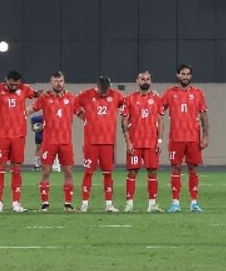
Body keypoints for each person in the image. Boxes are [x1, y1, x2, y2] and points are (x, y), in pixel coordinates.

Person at [0, 70, 36, 213]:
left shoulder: (24, 89)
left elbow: (36, 95)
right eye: (12, 83)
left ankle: (16, 203)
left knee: (17, 169)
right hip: (2, 136)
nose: (14, 86)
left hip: (19, 136)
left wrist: (41, 94)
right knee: (0, 168)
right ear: (6, 80)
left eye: (17, 83)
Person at [162, 63, 209, 213]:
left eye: (188, 74)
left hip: (193, 138)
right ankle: (175, 202)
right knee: (175, 169)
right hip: (176, 138)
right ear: (177, 75)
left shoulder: (198, 93)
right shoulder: (169, 93)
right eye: (183, 74)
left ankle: (194, 202)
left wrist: (206, 136)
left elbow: (203, 116)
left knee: (193, 169)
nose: (186, 77)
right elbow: (159, 111)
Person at [76, 76, 124, 213]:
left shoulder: (116, 95)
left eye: (106, 89)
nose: (104, 92)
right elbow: (74, 103)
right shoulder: (86, 95)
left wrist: (123, 111)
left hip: (108, 142)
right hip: (91, 142)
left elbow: (127, 103)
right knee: (88, 173)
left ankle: (109, 204)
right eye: (102, 90)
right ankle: (84, 203)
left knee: (108, 173)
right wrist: (81, 115)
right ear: (97, 86)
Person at [33, 71, 78, 212]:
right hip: (49, 142)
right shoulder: (45, 98)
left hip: (65, 141)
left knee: (68, 172)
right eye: (55, 81)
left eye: (61, 81)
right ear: (51, 82)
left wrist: (93, 121)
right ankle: (45, 203)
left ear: (64, 82)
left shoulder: (71, 98)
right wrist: (20, 117)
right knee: (46, 171)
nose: (58, 83)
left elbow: (81, 114)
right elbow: (30, 109)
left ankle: (68, 203)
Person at [122, 71, 163, 212]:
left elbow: (161, 120)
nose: (145, 81)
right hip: (135, 143)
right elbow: (124, 121)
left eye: (147, 79)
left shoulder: (157, 98)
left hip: (151, 143)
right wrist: (128, 142)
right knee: (132, 172)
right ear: (137, 81)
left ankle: (152, 204)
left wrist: (160, 140)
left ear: (151, 81)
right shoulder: (130, 99)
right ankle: (129, 204)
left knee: (153, 172)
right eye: (142, 79)